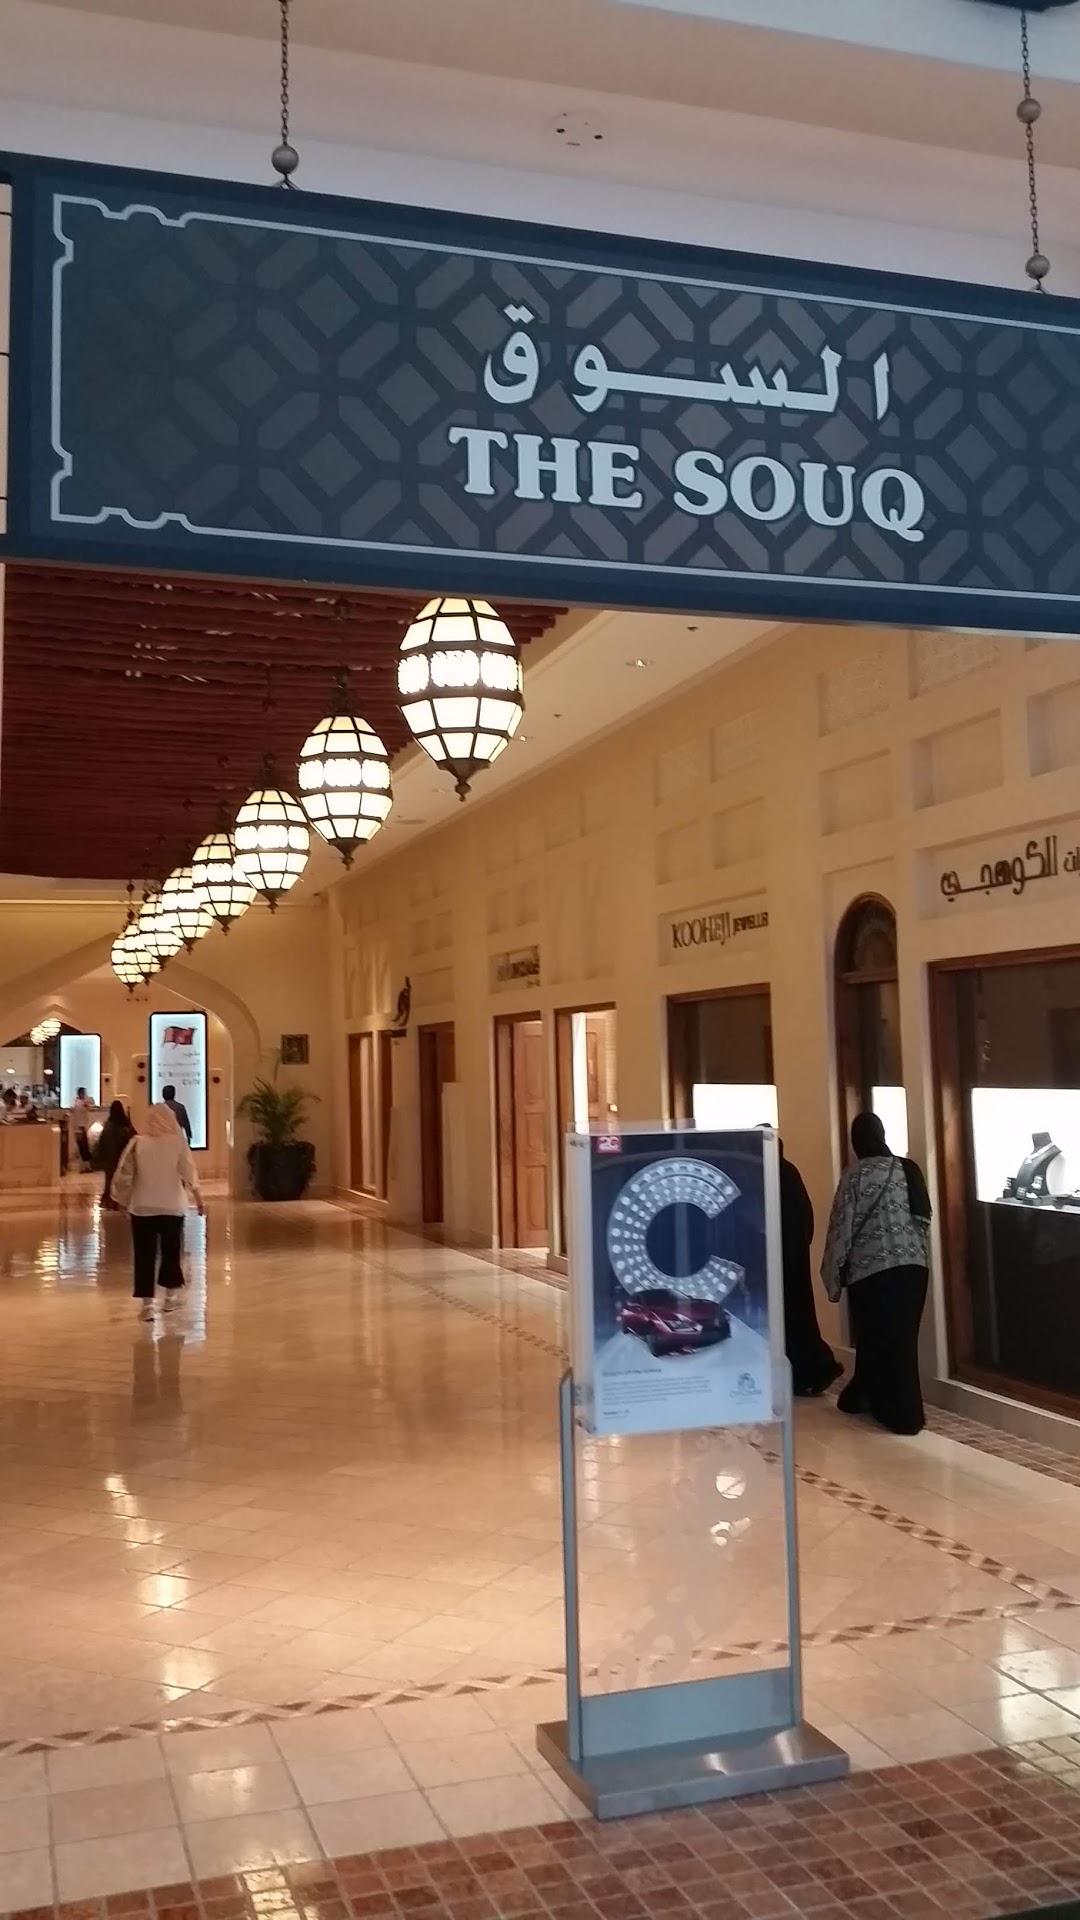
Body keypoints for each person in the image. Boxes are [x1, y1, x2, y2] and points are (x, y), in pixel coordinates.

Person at [822, 1112, 933, 1435]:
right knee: (902, 1341)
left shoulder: (855, 1176)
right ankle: (882, 1401)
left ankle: (898, 1414)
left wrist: (832, 1276)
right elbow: (923, 1219)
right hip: (914, 1269)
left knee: (875, 1337)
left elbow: (841, 1228)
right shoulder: (908, 1169)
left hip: (872, 1272)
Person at [112, 1104, 204, 1322]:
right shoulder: (178, 1143)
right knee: (171, 1253)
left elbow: (125, 1174)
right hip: (172, 1207)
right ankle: (170, 1299)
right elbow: (189, 1172)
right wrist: (199, 1200)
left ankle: (147, 1306)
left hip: (142, 1207)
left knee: (144, 1256)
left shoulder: (138, 1143)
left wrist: (122, 1202)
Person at [778, 1140, 842, 1397]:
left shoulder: (766, 1174)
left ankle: (802, 1371)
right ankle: (810, 1369)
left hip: (778, 1260)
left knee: (786, 1318)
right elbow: (807, 1215)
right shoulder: (790, 1172)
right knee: (799, 1314)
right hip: (795, 1257)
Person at [93, 1099, 135, 1209]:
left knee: (110, 1180)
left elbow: (102, 1142)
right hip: (122, 1157)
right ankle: (118, 1201)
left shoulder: (108, 1125)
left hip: (110, 1159)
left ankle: (109, 1201)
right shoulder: (125, 1124)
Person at [70, 1087, 96, 1169]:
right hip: (80, 1127)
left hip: (77, 1127)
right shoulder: (80, 1104)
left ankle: (84, 1165)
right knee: (83, 1147)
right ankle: (85, 1166)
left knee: (82, 1147)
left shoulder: (76, 1102)